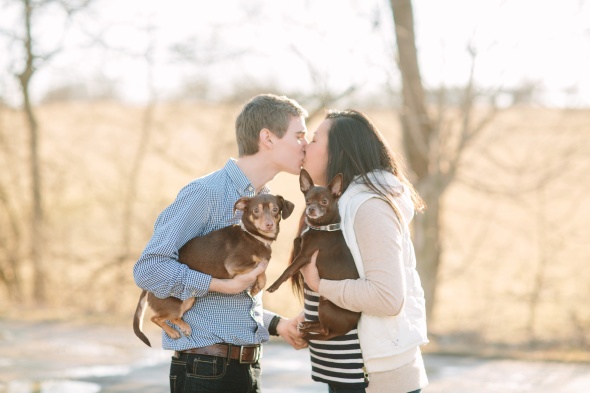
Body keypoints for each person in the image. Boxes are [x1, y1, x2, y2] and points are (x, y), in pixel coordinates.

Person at [133, 93, 309, 393]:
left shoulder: (265, 204)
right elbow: (148, 269)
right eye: (299, 135)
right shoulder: (206, 193)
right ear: (267, 137)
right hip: (206, 371)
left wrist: (277, 324)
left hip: (246, 369)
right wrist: (219, 284)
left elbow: (231, 303)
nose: (306, 144)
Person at [296, 109, 429, 393]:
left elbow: (387, 298)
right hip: (349, 376)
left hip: (375, 380)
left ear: (338, 152)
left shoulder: (369, 207)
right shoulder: (335, 203)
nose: (306, 144)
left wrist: (320, 285)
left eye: (315, 139)